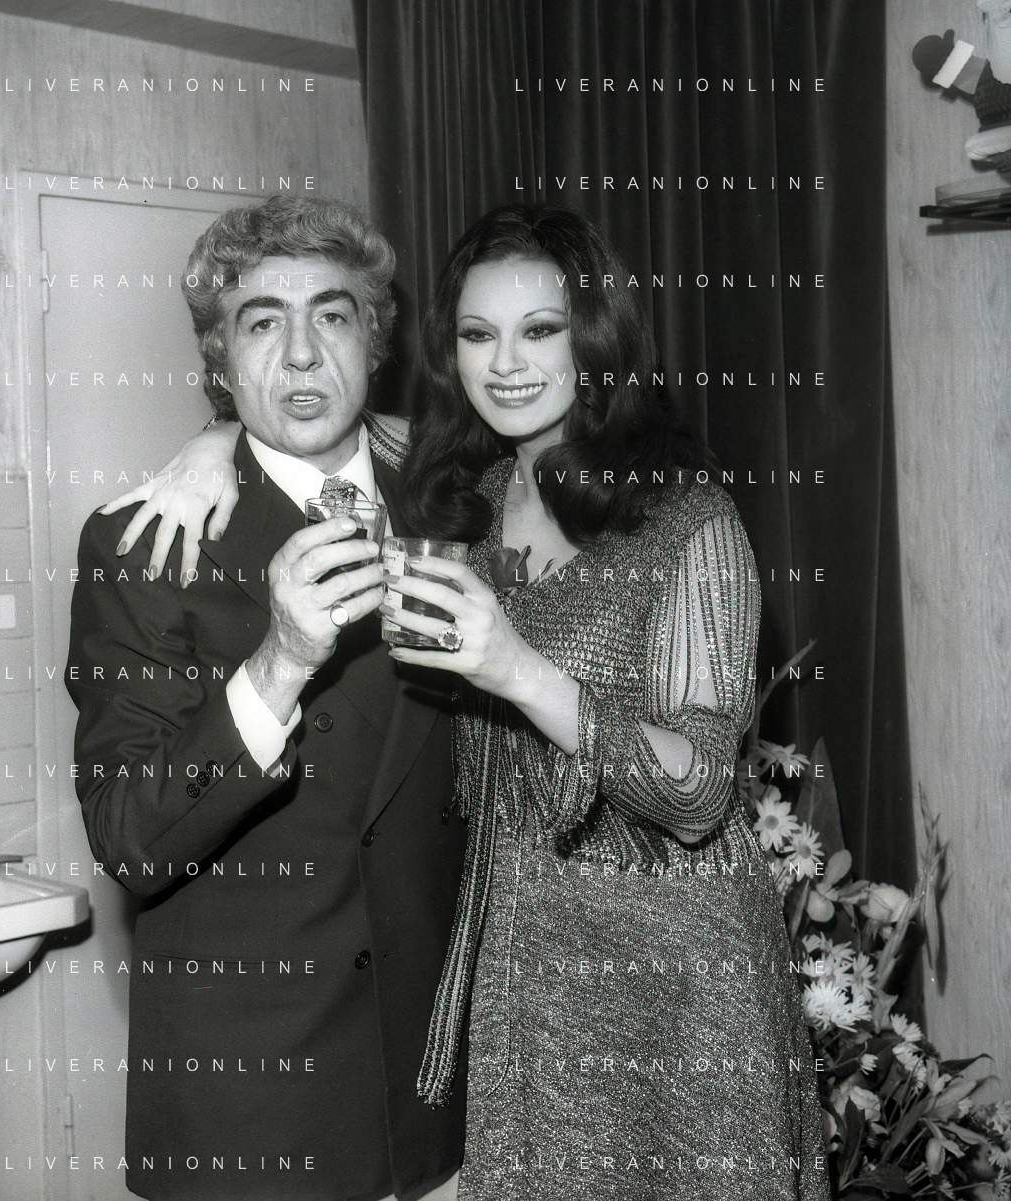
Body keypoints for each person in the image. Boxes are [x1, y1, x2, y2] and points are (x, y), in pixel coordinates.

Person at [111, 204, 829, 1200]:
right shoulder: (463, 498)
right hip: (514, 967)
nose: (508, 364)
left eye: (542, 329)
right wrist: (218, 436)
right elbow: (308, 408)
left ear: (595, 338)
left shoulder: (685, 517)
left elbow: (703, 791)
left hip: (669, 963)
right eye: (478, 334)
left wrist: (514, 667)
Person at [65, 195, 467, 1201]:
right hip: (251, 1103)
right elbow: (128, 837)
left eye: (331, 315)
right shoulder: (142, 545)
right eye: (260, 323)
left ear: (373, 341)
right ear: (220, 357)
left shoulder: (454, 502)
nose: (299, 355)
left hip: (438, 1089)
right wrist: (278, 663)